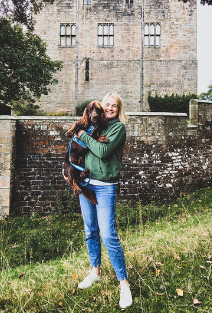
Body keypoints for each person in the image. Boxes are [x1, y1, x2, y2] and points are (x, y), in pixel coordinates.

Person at [74, 92, 132, 309]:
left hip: (106, 186)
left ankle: (124, 284)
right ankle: (95, 271)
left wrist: (83, 135)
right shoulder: (93, 124)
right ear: (100, 107)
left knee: (108, 235)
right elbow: (79, 151)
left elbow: (102, 150)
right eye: (106, 105)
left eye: (114, 106)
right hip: (86, 183)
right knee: (90, 230)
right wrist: (71, 170)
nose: (109, 108)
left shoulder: (118, 128)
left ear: (119, 109)